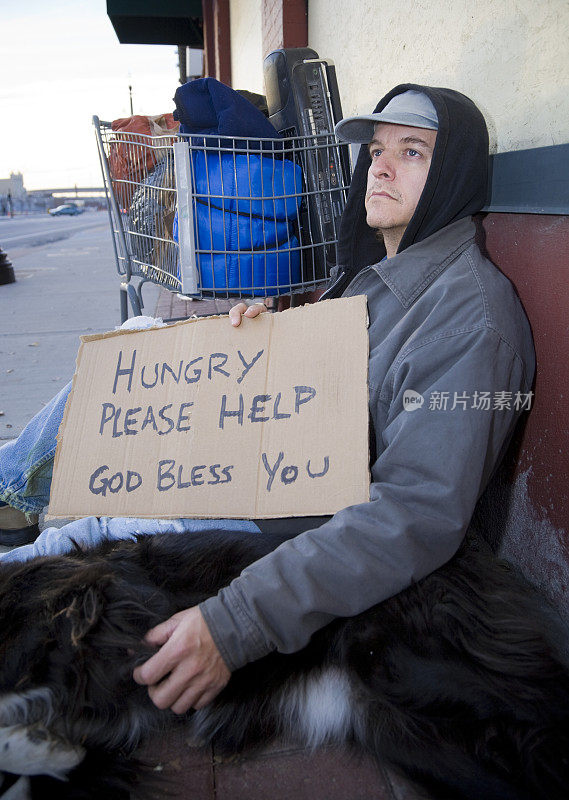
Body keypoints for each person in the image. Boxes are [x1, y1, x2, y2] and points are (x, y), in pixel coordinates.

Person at [0, 85, 535, 717]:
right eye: (378, 150)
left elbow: (413, 514)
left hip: (287, 513)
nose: (380, 168)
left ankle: (33, 540)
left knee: (95, 532)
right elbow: (332, 376)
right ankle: (15, 490)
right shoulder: (383, 269)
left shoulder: (468, 320)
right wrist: (267, 337)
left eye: (412, 153)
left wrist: (235, 624)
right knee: (137, 342)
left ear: (453, 173)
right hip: (263, 448)